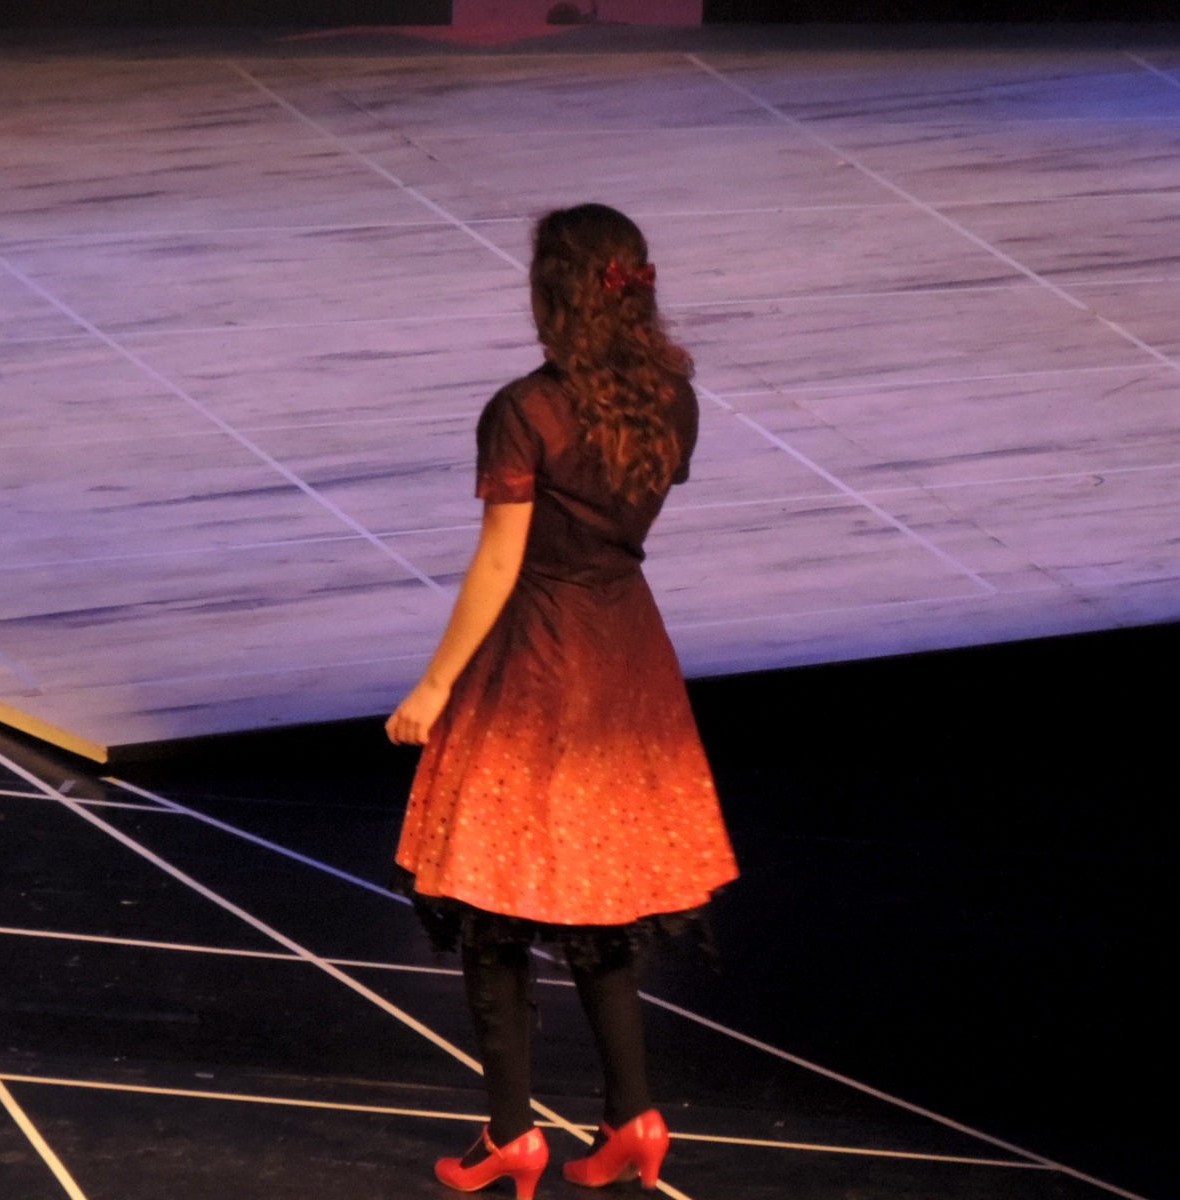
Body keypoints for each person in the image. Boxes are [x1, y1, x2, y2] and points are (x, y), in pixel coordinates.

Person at [386, 203, 738, 1198]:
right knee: (600, 899)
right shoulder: (672, 398)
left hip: (539, 661)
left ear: (553, 295)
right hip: (626, 659)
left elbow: (501, 564)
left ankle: (511, 1135)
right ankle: (633, 1118)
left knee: (493, 902)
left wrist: (433, 685)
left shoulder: (525, 411)